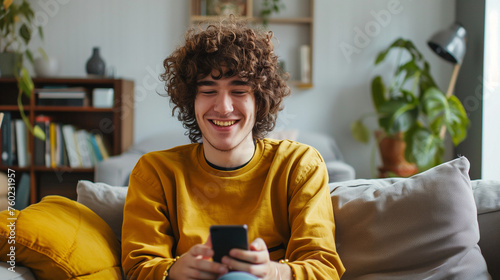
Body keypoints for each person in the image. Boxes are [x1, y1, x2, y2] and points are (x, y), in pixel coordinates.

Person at [121, 16, 345, 280]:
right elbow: (137, 267)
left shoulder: (300, 165)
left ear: (259, 101)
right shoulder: (155, 172)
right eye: (208, 91)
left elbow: (323, 267)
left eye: (238, 91)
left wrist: (272, 271)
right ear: (190, 100)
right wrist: (174, 271)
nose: (224, 107)